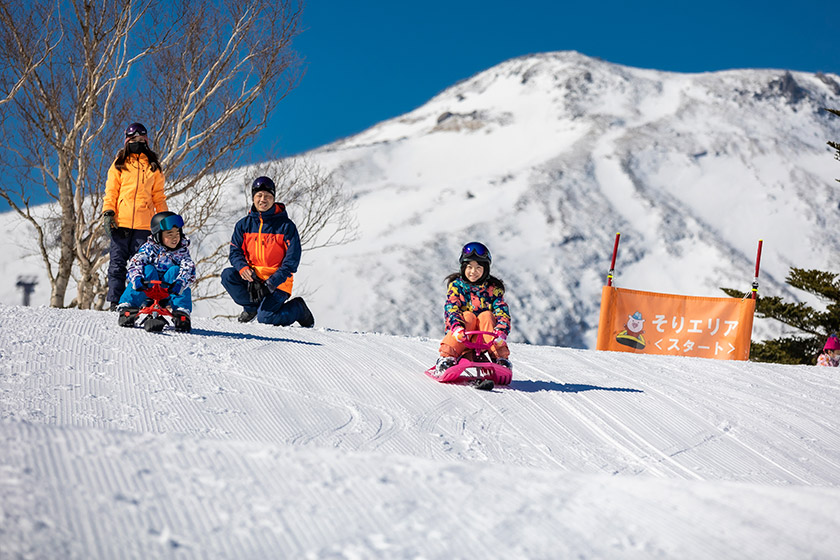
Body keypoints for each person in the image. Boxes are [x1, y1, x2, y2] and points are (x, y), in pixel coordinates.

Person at [221, 176, 314, 327]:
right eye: (259, 195)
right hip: (254, 280)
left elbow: (292, 261)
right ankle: (251, 308)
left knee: (266, 318)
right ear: (253, 197)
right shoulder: (243, 225)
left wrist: (271, 282)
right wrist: (244, 269)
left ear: (273, 199)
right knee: (228, 275)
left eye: (267, 196)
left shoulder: (286, 226)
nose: (263, 199)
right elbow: (235, 251)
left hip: (278, 283)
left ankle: (298, 309)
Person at [102, 123, 167, 310]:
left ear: (146, 141)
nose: (137, 143)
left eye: (141, 140)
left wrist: (164, 221)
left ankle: (139, 300)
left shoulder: (153, 167)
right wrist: (108, 212)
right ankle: (115, 302)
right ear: (126, 141)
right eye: (133, 140)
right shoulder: (119, 164)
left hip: (143, 225)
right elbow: (111, 191)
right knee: (117, 264)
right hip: (120, 222)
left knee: (142, 265)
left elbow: (159, 197)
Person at [434, 241, 512, 376]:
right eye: (469, 267)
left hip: (485, 338)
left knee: (487, 315)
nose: (473, 272)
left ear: (485, 269)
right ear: (463, 267)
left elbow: (501, 310)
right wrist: (457, 327)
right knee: (468, 316)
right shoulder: (457, 286)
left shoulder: (493, 288)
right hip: (462, 335)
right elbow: (452, 307)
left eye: (478, 268)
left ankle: (500, 359)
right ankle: (446, 358)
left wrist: (501, 331)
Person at [116, 211, 196, 332]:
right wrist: (137, 279)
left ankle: (181, 311)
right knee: (147, 269)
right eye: (169, 234)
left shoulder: (182, 251)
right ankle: (128, 306)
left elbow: (188, 267)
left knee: (175, 270)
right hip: (146, 288)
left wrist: (180, 282)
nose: (175, 237)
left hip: (168, 290)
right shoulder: (150, 248)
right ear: (158, 235)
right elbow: (135, 262)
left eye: (177, 233)